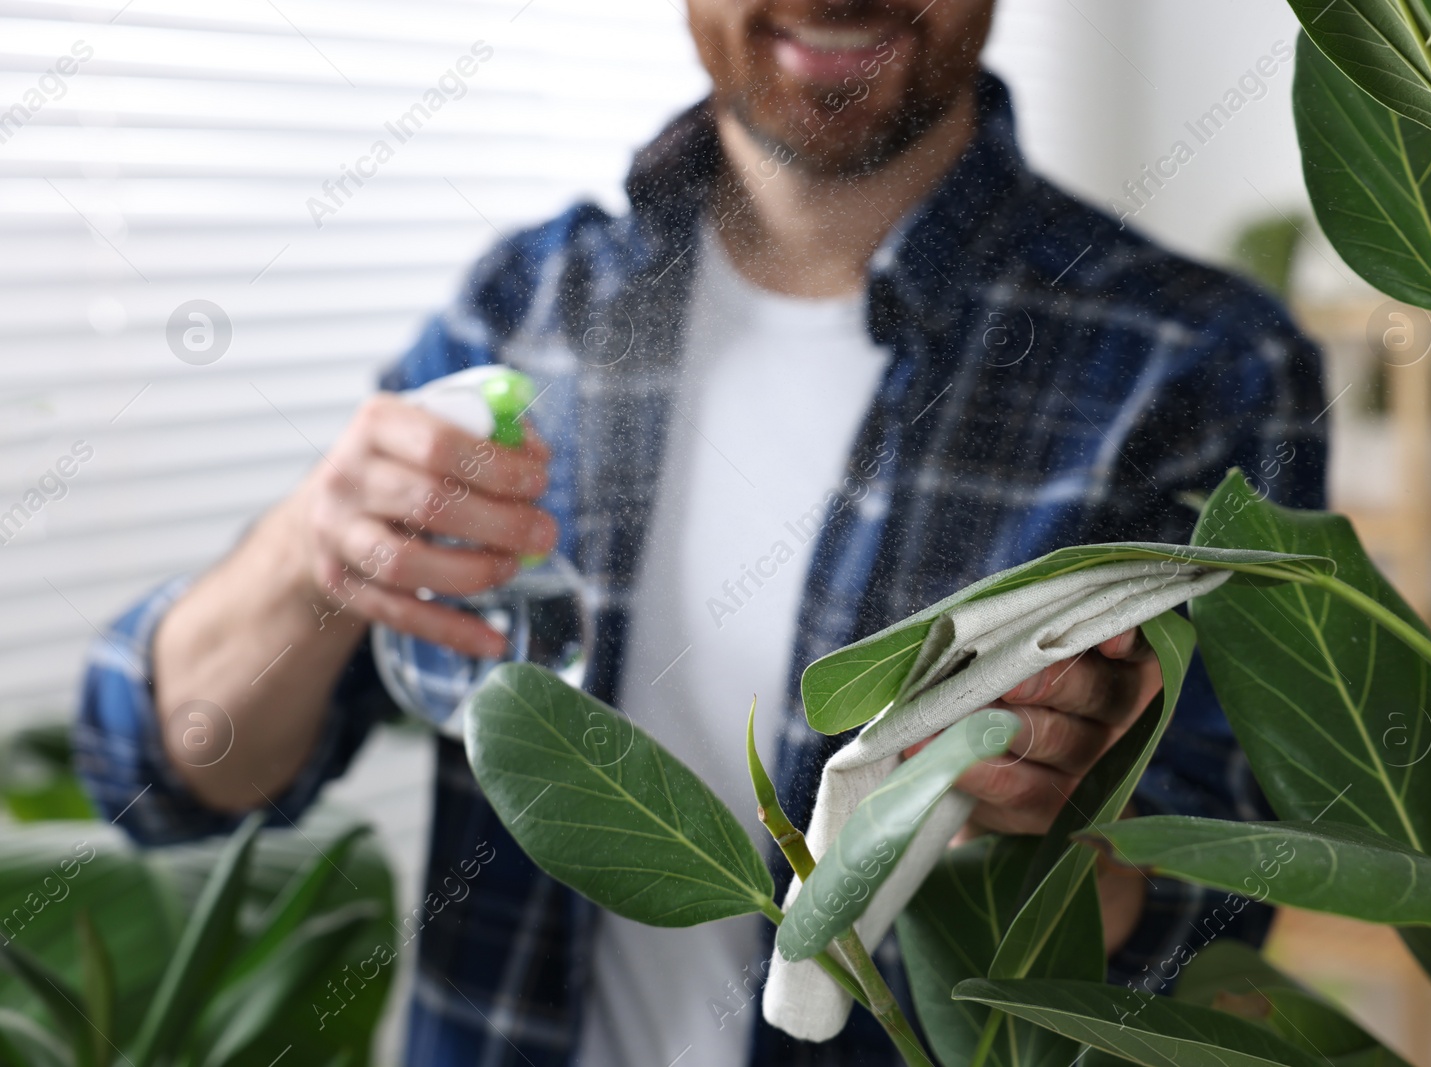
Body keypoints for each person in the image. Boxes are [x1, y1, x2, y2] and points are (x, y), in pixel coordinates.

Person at [76, 0, 1325, 1062]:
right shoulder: (524, 310)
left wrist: (1057, 825)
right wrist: (311, 553)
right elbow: (167, 764)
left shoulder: (1206, 368)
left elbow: (1206, 928)